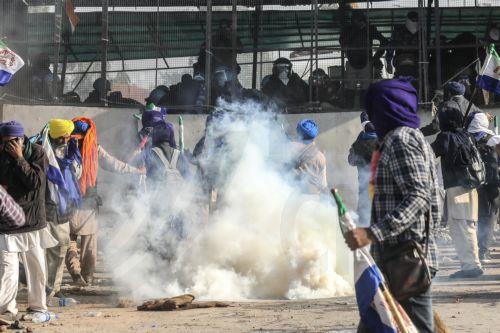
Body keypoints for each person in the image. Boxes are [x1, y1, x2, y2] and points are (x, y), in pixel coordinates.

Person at [346, 78, 440, 333]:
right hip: (397, 257)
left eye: (374, 110)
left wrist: (371, 233)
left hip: (406, 258)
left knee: (417, 328)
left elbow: (419, 196)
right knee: (373, 325)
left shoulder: (401, 140)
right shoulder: (406, 138)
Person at [65, 118, 144, 285]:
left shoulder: (63, 148)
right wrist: (136, 171)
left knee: (69, 241)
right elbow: (114, 165)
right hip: (88, 203)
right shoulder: (94, 149)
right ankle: (87, 276)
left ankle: (75, 272)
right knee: (89, 242)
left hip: (66, 203)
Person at [0, 121, 56, 316]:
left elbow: (35, 182)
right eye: (5, 142)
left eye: (13, 141)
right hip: (7, 223)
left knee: (36, 268)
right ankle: (7, 309)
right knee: (8, 269)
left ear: (22, 139)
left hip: (32, 221)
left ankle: (37, 307)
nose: (9, 145)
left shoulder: (37, 153)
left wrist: (19, 158)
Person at [431, 102, 483, 278]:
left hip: (457, 188)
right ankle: (473, 263)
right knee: (469, 225)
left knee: (460, 227)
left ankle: (470, 267)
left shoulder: (445, 137)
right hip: (471, 187)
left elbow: (428, 154)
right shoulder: (466, 135)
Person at [43, 119, 83, 297]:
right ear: (59, 137)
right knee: (46, 252)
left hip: (63, 211)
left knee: (61, 250)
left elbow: (76, 174)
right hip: (48, 210)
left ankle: (54, 288)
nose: (69, 140)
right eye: (66, 137)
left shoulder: (68, 153)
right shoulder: (44, 154)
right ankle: (44, 289)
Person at [339, 11, 390, 108]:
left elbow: (384, 41)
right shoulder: (348, 29)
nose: (358, 21)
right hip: (352, 60)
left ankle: (364, 109)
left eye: (360, 19)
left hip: (365, 61)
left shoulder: (369, 29)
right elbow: (342, 41)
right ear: (352, 20)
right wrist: (357, 29)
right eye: (356, 20)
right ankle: (348, 109)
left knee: (366, 87)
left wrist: (376, 57)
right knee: (350, 87)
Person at [467, 113, 499, 263]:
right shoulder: (492, 139)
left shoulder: (471, 138)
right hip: (488, 184)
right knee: (486, 218)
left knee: (482, 217)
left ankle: (482, 250)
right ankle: (482, 250)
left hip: (481, 183)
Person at [348, 112, 378, 227]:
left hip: (365, 187)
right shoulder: (386, 140)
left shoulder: (359, 143)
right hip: (383, 187)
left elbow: (351, 161)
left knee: (365, 217)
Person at [291, 119, 327, 194]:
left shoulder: (292, 151)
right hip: (314, 198)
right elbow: (323, 184)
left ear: (299, 134)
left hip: (295, 199)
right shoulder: (321, 156)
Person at [390, 11, 420, 78]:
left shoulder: (420, 33)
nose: (414, 21)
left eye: (416, 19)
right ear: (408, 19)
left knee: (413, 79)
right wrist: (388, 62)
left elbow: (424, 49)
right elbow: (391, 45)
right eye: (412, 19)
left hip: (414, 61)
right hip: (401, 59)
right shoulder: (398, 30)